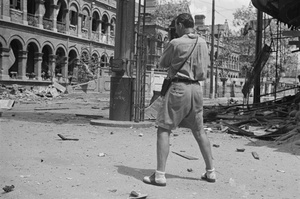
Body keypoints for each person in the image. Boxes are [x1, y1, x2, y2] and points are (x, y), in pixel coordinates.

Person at [143, 13, 216, 186]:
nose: (175, 29)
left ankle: (160, 175)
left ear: (182, 25)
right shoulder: (204, 42)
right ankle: (211, 172)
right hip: (197, 89)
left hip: (178, 89)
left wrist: (171, 43)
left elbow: (162, 63)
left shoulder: (175, 43)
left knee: (164, 128)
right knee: (199, 131)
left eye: (176, 26)